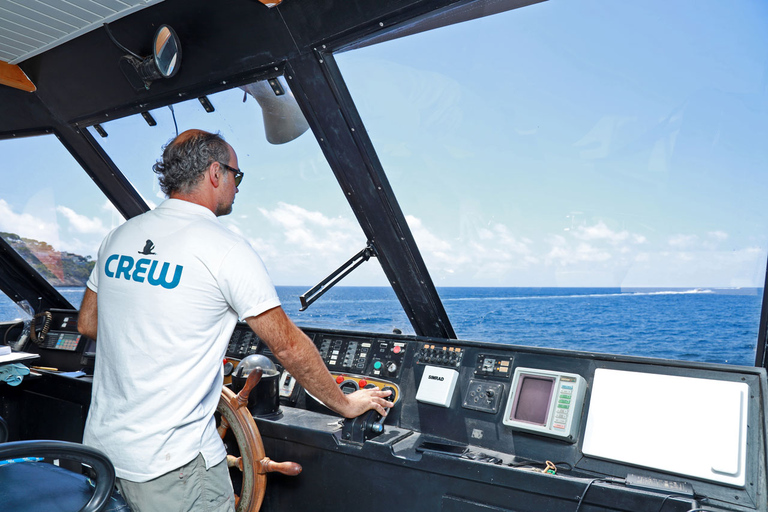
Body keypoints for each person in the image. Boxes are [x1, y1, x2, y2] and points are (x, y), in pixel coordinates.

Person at [78, 129, 391, 512]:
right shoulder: (225, 249)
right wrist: (345, 404)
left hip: (100, 451)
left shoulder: (118, 237)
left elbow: (89, 324)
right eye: (236, 177)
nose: (238, 188)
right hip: (173, 468)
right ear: (215, 173)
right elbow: (288, 345)